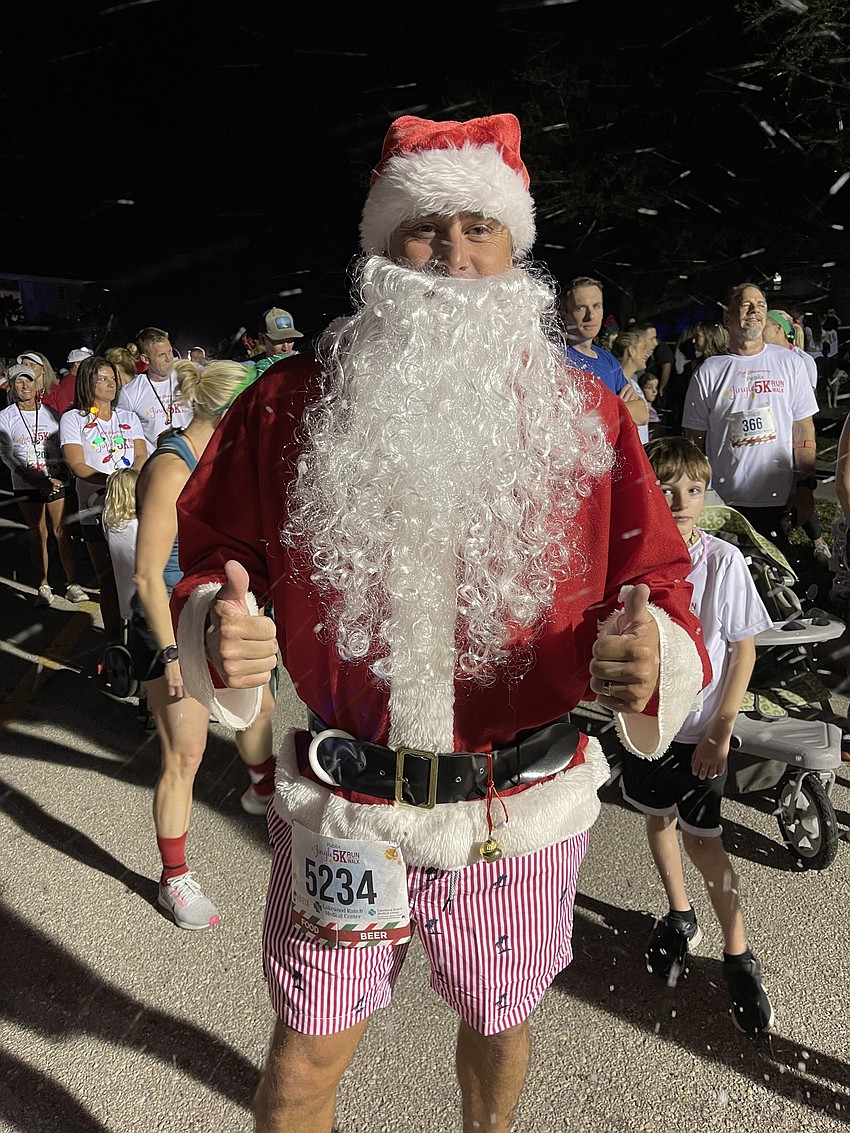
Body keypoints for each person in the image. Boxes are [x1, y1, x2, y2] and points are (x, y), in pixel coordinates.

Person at [171, 114, 708, 1132]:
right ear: (380, 245)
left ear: (516, 250)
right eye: (423, 226)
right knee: (301, 1059)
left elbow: (658, 578)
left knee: (499, 1023)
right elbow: (211, 556)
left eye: (478, 227)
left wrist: (656, 658)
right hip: (349, 809)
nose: (453, 255)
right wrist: (216, 632)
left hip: (522, 813)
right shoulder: (288, 405)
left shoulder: (584, 414)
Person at [621, 436, 774, 1035]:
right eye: (666, 487)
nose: (681, 500)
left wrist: (720, 729)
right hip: (647, 725)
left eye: (693, 488)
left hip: (701, 729)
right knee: (656, 819)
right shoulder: (635, 558)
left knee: (706, 841)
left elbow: (742, 652)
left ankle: (738, 953)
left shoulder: (723, 561)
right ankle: (680, 914)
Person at [132, 358, 276, 930]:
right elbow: (146, 576)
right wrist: (170, 655)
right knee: (185, 755)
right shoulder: (174, 466)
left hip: (210, 614)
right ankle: (174, 879)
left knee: (259, 709)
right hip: (169, 628)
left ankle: (260, 793)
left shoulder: (223, 461)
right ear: (230, 412)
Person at [683, 283, 819, 553]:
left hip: (778, 498)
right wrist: (699, 491)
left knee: (774, 583)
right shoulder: (709, 371)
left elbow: (803, 428)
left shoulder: (790, 363)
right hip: (724, 502)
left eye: (761, 305)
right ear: (728, 317)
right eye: (746, 304)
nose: (755, 310)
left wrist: (805, 486)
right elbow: (694, 440)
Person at [60, 356, 147, 641]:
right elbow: (77, 464)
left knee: (139, 574)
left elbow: (140, 456)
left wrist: (131, 481)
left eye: (113, 379)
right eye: (103, 379)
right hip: (95, 507)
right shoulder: (74, 418)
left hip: (130, 506)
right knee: (108, 579)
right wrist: (111, 481)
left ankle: (141, 639)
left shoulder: (128, 417)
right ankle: (113, 642)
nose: (112, 384)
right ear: (88, 382)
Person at [0, 363, 85, 605]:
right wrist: (31, 478)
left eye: (28, 380)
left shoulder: (51, 414)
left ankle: (72, 583)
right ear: (12, 387)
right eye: (18, 381)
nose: (25, 385)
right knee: (38, 534)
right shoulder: (5, 417)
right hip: (27, 484)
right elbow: (6, 454)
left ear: (38, 384)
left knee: (61, 531)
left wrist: (64, 475)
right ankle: (43, 585)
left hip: (56, 481)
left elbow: (63, 445)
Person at [763, 309, 830, 567]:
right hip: (769, 439)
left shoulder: (802, 360)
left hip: (793, 438)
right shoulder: (761, 357)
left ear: (779, 328)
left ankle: (818, 542)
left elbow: (804, 407)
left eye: (766, 324)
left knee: (798, 492)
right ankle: (779, 543)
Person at [561, 276, 649, 429]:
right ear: (564, 315)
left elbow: (642, 413)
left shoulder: (608, 360)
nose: (591, 316)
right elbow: (570, 421)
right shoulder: (555, 358)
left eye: (596, 306)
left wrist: (598, 413)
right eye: (580, 308)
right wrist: (620, 407)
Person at [117, 328, 193, 453]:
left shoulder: (187, 378)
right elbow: (125, 435)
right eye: (162, 355)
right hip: (157, 463)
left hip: (193, 456)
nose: (169, 359)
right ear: (145, 359)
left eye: (170, 352)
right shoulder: (129, 393)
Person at [611, 328, 655, 444]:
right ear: (631, 351)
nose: (647, 354)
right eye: (642, 348)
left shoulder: (634, 385)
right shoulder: (615, 384)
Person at [253, 308, 304, 378]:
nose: (285, 348)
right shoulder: (253, 368)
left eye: (290, 340)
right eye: (279, 341)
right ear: (262, 339)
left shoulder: (303, 362)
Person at [42, 347, 93, 415]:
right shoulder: (69, 384)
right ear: (77, 364)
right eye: (88, 364)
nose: (91, 367)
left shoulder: (77, 381)